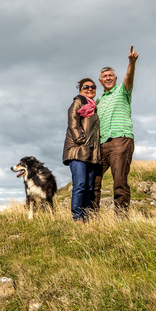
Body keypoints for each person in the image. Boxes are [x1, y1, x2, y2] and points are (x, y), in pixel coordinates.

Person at [93, 45, 139, 215]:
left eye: (111, 75)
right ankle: (92, 216)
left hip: (121, 140)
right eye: (105, 76)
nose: (108, 78)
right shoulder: (98, 100)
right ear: (100, 81)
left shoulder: (122, 91)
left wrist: (131, 63)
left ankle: (121, 218)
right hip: (102, 145)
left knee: (119, 181)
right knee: (93, 181)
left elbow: (129, 77)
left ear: (115, 78)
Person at [62, 78, 101, 221]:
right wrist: (81, 140)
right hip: (77, 151)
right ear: (80, 90)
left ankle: (85, 217)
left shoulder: (94, 107)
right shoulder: (78, 101)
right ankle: (77, 217)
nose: (90, 89)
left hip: (90, 153)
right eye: (86, 87)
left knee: (89, 187)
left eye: (93, 87)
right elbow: (73, 120)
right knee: (80, 185)